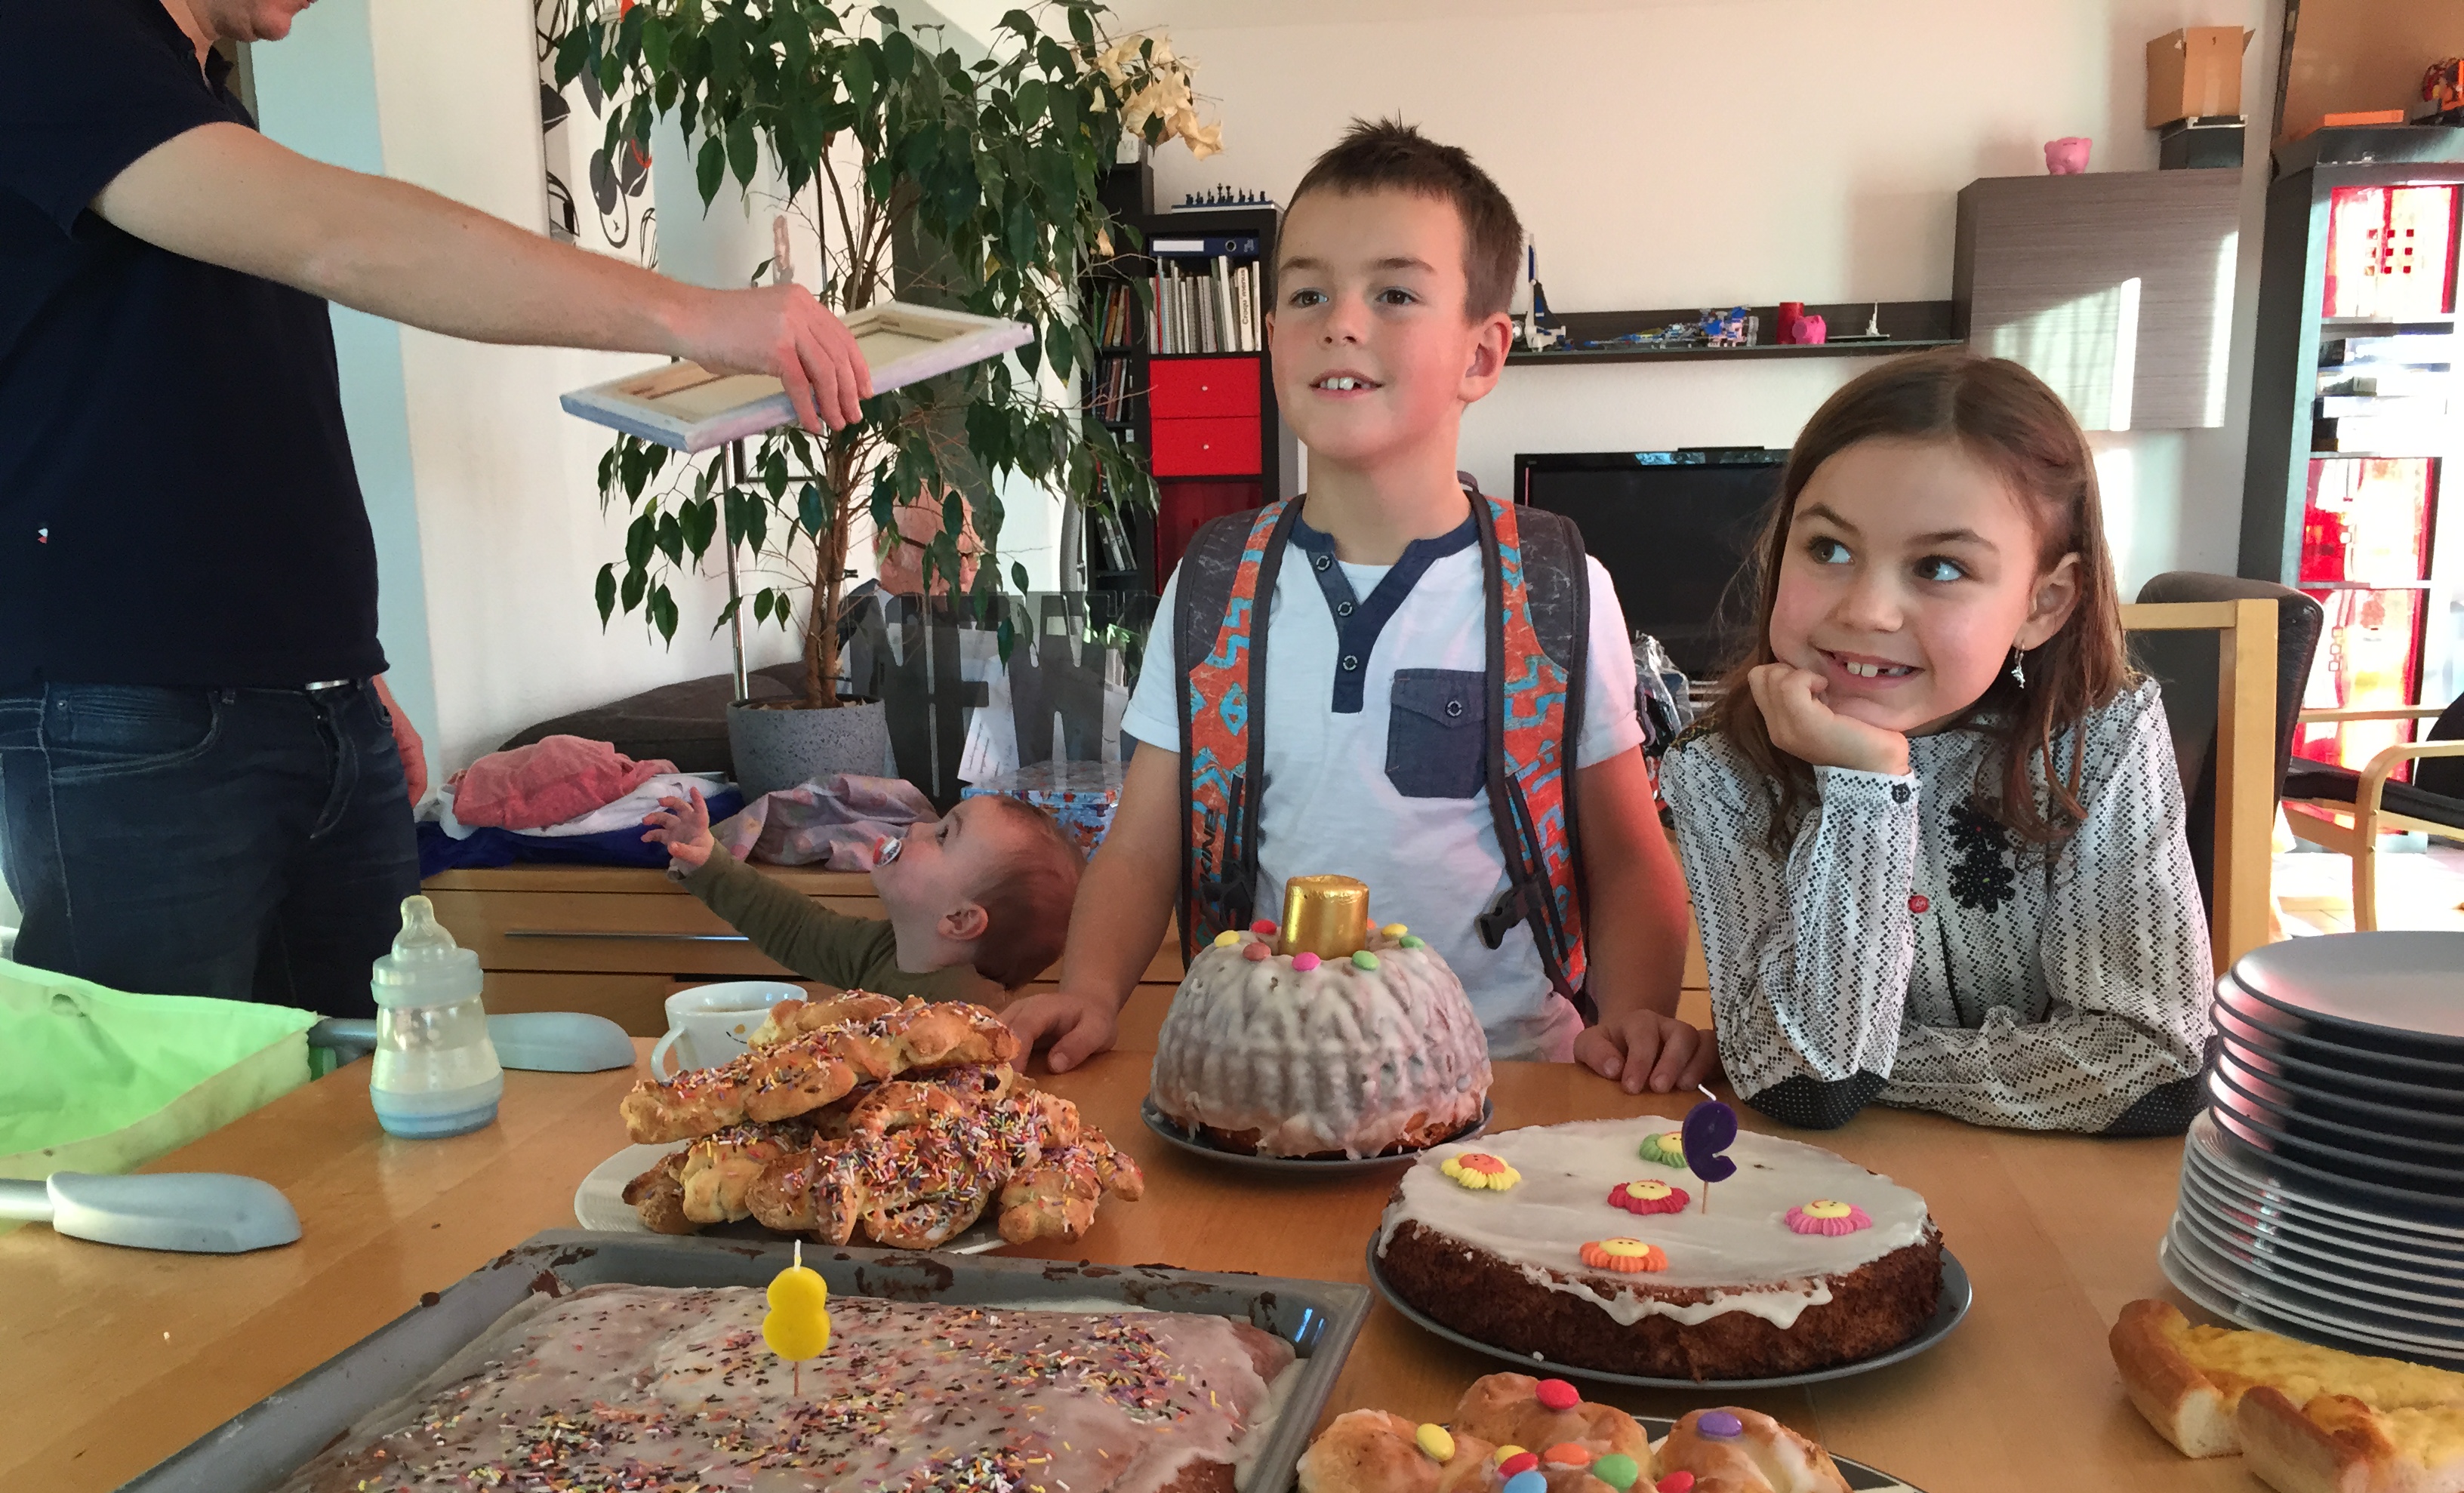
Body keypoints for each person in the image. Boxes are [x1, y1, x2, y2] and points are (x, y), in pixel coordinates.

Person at [0, 0, 871, 1017]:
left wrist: (344, 673)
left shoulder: (197, 93)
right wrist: (698, 315)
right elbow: (340, 237)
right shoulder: (52, 34)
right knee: (179, 1102)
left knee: (371, 1092)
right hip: (129, 712)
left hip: (318, 702)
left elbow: (220, 423)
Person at [1006, 119, 1703, 1089]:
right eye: (1306, 293)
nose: (1340, 321)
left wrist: (1632, 1025)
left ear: (1482, 355)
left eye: (1394, 293)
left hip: (1510, 1082)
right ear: (1272, 337)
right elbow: (1142, 843)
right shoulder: (1212, 581)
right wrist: (1089, 990)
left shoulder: (1556, 587)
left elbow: (1627, 857)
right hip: (1266, 1079)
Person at [1657, 348, 2213, 1135]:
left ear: (2044, 603)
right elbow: (1807, 1091)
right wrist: (1866, 786)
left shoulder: (2102, 737)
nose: (1867, 611)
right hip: (1824, 1186)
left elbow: (2153, 1064)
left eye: (1940, 567)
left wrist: (1869, 1060)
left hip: (2055, 1189)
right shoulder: (1718, 769)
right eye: (1829, 549)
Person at [642, 787, 1082, 1003]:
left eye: (943, 835)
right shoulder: (879, 951)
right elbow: (792, 926)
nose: (918, 827)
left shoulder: (977, 1012)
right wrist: (710, 862)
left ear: (960, 919)